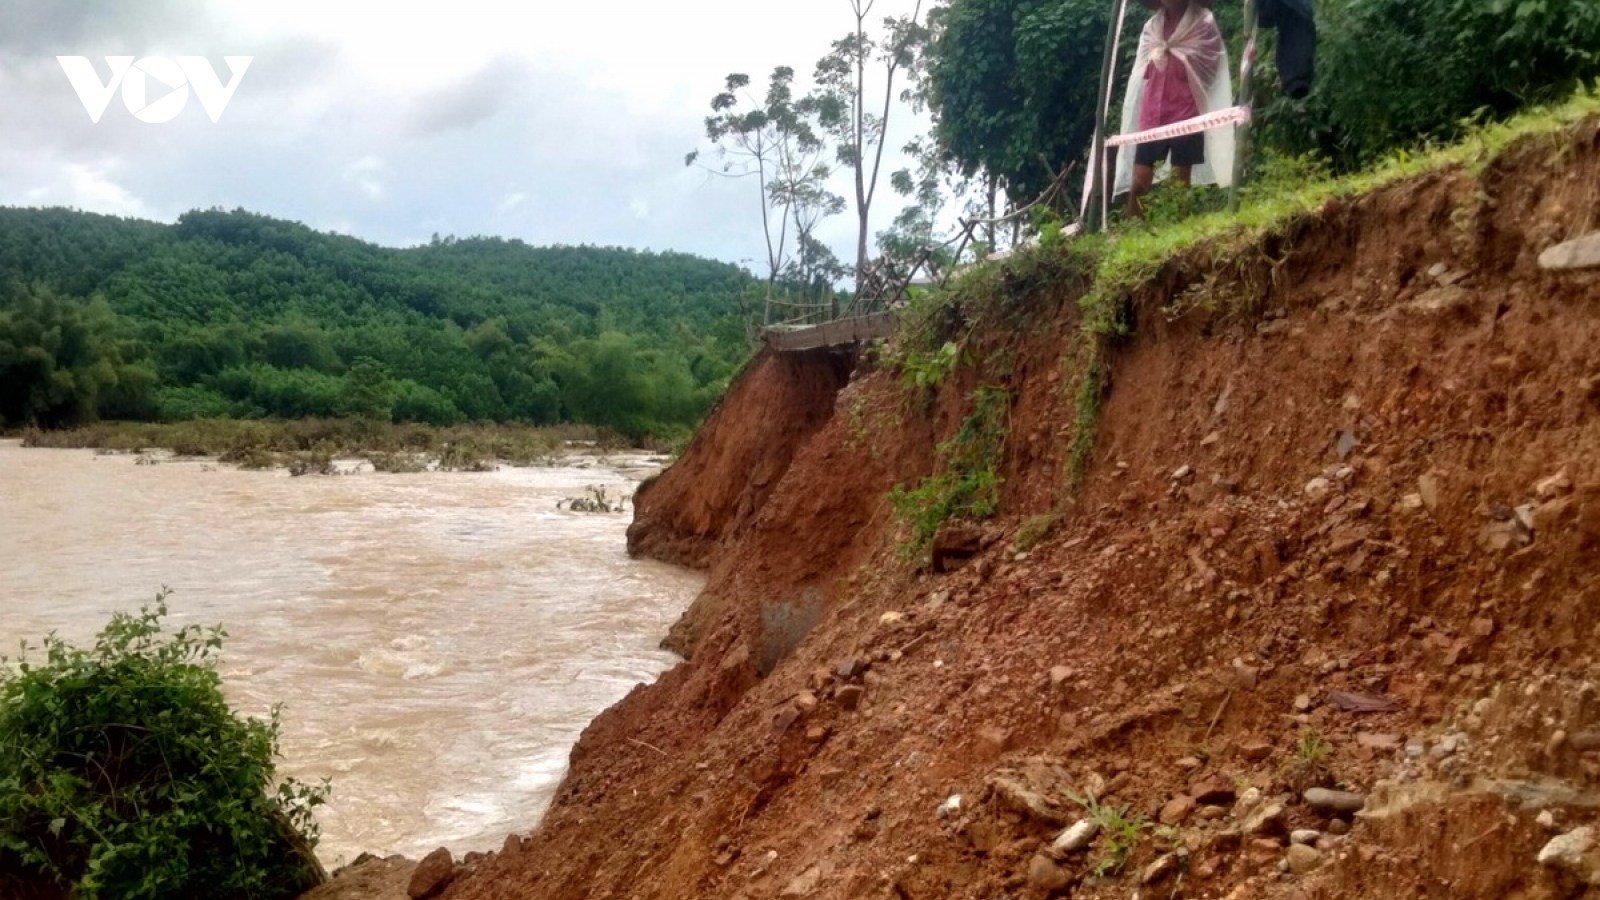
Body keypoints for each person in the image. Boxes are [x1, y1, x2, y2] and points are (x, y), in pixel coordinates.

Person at [1114, 0, 1235, 218]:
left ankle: (1178, 228)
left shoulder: (1203, 22)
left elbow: (1211, 64)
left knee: (1180, 180)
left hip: (1186, 112)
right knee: (1140, 180)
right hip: (1152, 114)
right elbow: (1142, 69)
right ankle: (1133, 230)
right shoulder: (1152, 26)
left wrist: (1186, 65)